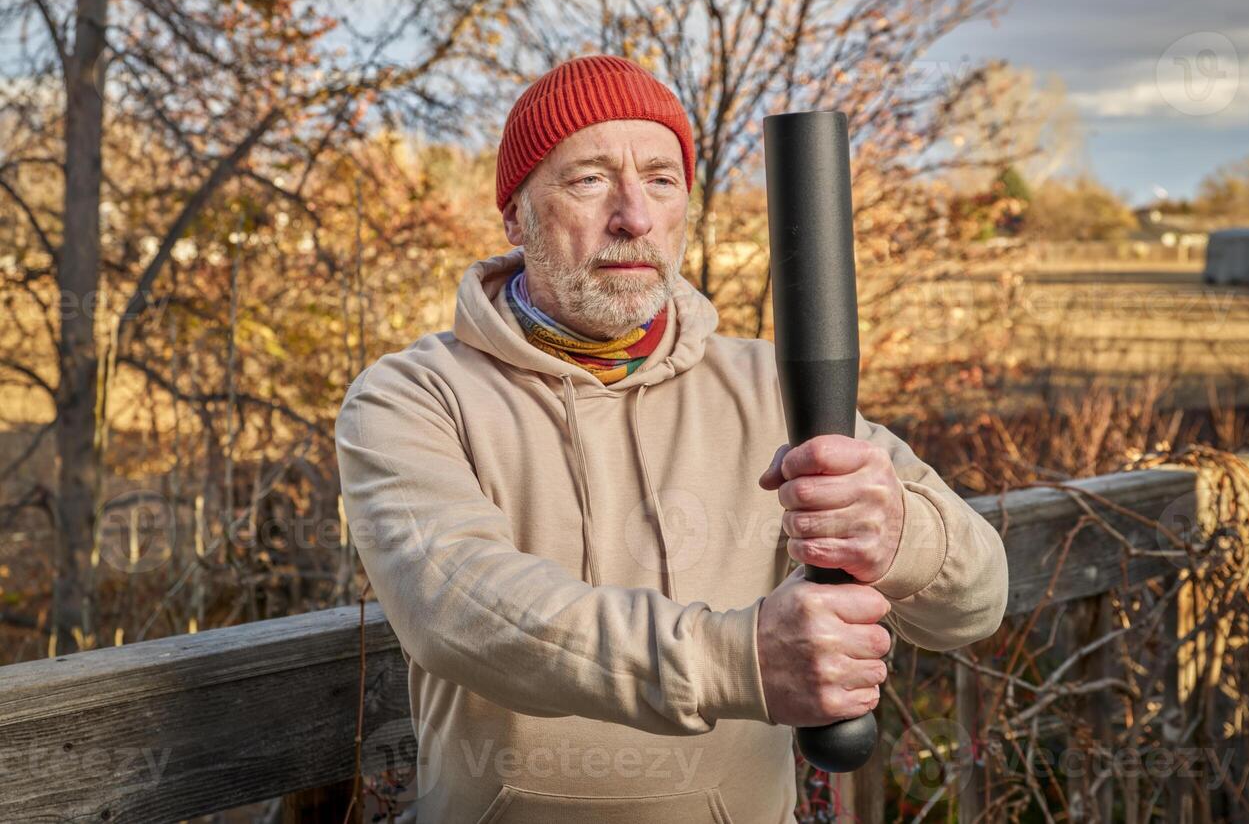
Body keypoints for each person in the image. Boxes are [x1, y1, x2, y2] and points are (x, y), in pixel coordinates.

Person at [334, 54, 1008, 824]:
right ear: (515, 214)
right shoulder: (414, 396)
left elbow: (976, 602)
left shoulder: (775, 387)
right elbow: (459, 609)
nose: (634, 216)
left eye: (660, 179)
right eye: (588, 179)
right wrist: (735, 659)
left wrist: (900, 537)